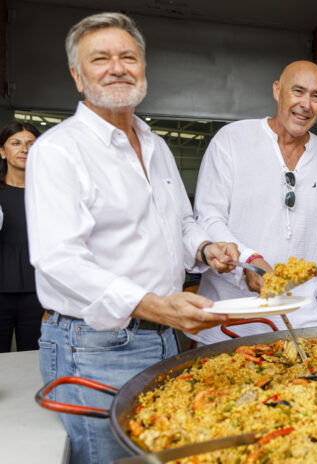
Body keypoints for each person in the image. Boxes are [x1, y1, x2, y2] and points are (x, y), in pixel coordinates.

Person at [25, 13, 242, 464]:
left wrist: (205, 248)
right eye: (100, 58)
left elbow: (180, 223)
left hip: (163, 337)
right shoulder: (59, 150)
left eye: (128, 56)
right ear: (77, 76)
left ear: (143, 67)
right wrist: (153, 304)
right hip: (96, 345)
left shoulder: (156, 144)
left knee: (157, 456)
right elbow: (58, 260)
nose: (117, 67)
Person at [189, 60, 317, 344]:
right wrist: (250, 259)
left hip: (302, 327)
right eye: (298, 91)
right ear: (277, 90)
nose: (305, 104)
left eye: (316, 95)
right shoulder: (232, 139)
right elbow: (208, 219)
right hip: (228, 326)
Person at [0, 122, 42, 352]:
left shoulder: (49, 193)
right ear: (2, 151)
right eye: (15, 143)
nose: (24, 149)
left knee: (33, 358)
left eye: (31, 144)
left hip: (36, 292)